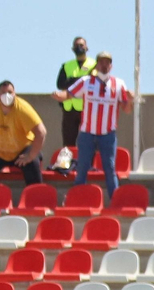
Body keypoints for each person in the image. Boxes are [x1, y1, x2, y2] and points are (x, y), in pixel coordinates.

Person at [50, 51, 132, 200]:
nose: (104, 65)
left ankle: (115, 199)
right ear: (97, 64)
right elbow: (68, 94)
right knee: (82, 168)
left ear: (111, 66)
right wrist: (58, 96)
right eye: (101, 62)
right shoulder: (86, 81)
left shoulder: (119, 84)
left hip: (108, 134)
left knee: (110, 168)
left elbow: (126, 109)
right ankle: (77, 198)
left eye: (107, 62)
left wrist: (130, 100)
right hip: (87, 132)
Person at [54, 37, 96, 153]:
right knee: (68, 143)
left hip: (87, 108)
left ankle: (89, 167)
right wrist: (80, 79)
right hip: (69, 109)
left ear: (87, 47)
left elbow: (93, 82)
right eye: (77, 45)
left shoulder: (94, 64)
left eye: (82, 45)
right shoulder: (67, 66)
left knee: (89, 141)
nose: (79, 48)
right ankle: (68, 167)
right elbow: (60, 84)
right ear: (73, 49)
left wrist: (72, 80)